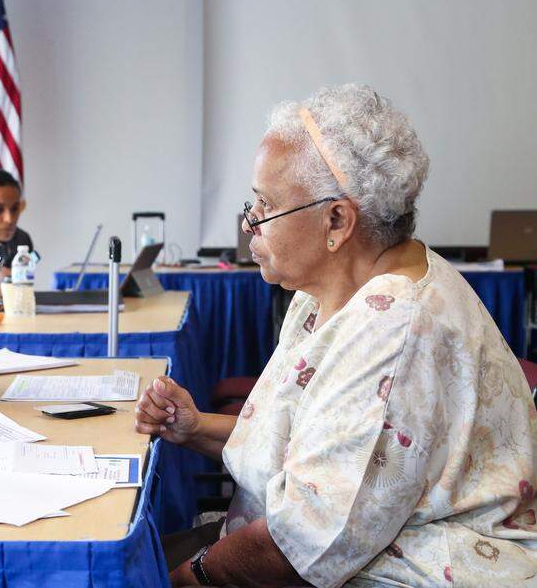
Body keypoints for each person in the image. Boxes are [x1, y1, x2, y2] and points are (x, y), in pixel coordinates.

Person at [137, 84, 537, 587]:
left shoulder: (391, 326)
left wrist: (185, 578)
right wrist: (195, 427)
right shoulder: (329, 290)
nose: (248, 224)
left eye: (265, 206)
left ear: (336, 221)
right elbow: (307, 452)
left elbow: (300, 545)